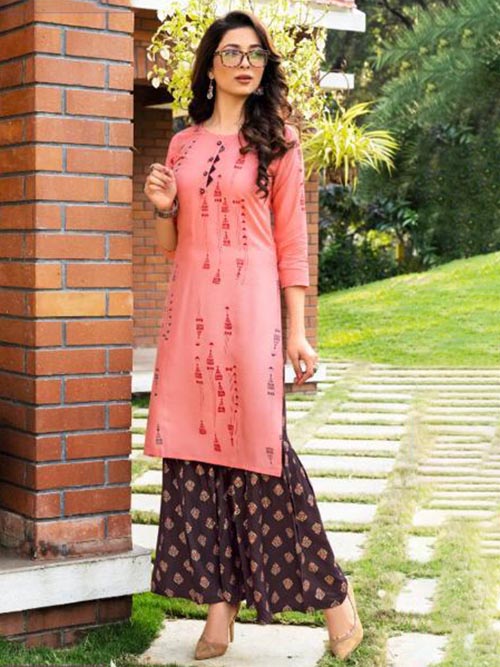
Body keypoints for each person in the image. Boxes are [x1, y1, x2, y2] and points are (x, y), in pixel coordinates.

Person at [142, 8, 363, 662]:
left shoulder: (280, 142)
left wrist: (298, 333)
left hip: (252, 319)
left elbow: (292, 245)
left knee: (264, 459)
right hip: (191, 318)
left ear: (265, 67)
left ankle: (336, 600)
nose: (245, 63)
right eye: (232, 52)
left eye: (256, 54)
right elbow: (169, 245)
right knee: (196, 461)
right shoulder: (182, 146)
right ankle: (218, 611)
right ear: (210, 66)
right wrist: (162, 208)